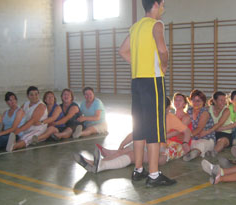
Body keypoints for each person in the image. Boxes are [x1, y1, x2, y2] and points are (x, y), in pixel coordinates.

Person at [118, 0, 175, 187]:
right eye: (163, 4)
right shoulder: (156, 24)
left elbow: (123, 51)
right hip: (153, 82)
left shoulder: (135, 27)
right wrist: (164, 65)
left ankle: (138, 169)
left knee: (140, 127)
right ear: (157, 4)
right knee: (155, 129)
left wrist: (139, 64)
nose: (164, 8)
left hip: (137, 82)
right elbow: (162, 49)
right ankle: (153, 175)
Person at [74, 97, 191, 176]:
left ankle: (100, 166)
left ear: (167, 109)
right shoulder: (149, 116)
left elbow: (186, 131)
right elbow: (137, 132)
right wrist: (123, 143)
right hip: (144, 143)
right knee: (122, 151)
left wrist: (185, 143)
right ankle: (95, 163)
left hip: (157, 149)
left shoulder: (170, 118)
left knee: (132, 155)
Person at [6, 86, 48, 152]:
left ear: (38, 94)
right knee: (15, 134)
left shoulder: (41, 106)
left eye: (36, 94)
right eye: (31, 94)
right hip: (27, 127)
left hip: (38, 128)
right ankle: (12, 143)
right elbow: (19, 114)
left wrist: (18, 130)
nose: (34, 96)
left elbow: (32, 121)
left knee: (26, 138)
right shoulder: (26, 104)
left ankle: (13, 146)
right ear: (28, 96)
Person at [182, 89, 215, 161]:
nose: (196, 103)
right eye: (194, 100)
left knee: (201, 145)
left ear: (203, 102)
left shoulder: (204, 112)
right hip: (193, 138)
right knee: (188, 144)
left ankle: (194, 153)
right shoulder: (189, 111)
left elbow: (199, 128)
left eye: (198, 101)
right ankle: (193, 152)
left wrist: (187, 137)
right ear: (190, 101)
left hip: (206, 139)